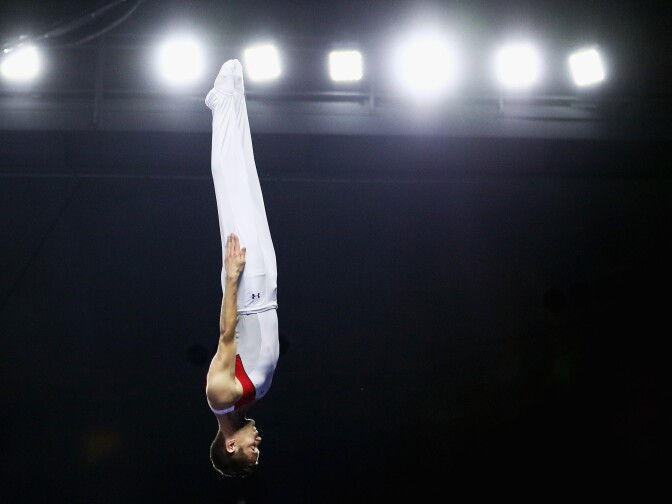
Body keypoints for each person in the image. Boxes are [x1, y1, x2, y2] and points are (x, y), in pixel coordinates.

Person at [204, 59, 279, 478]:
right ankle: (236, 96)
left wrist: (231, 279)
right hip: (264, 292)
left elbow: (226, 334)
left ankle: (221, 102)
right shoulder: (240, 404)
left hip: (247, 289)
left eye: (251, 453)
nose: (258, 445)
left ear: (230, 444)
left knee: (231, 186)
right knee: (249, 185)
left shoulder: (220, 395)